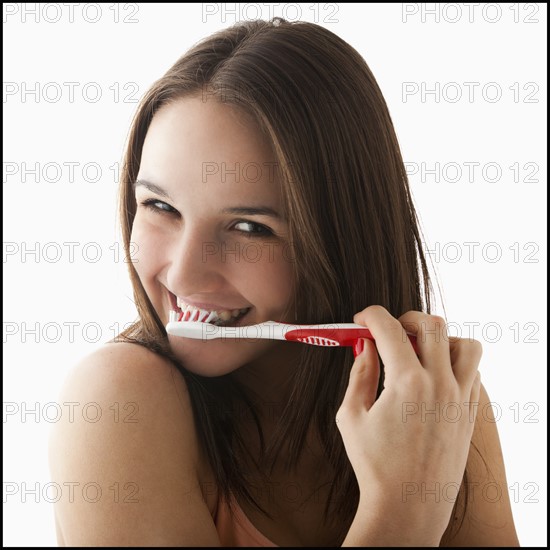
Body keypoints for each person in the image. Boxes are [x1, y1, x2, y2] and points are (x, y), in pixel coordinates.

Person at [48, 18, 519, 546]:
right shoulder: (118, 400)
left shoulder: (435, 402)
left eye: (249, 227)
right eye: (160, 206)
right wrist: (404, 506)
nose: (181, 274)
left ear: (343, 237)